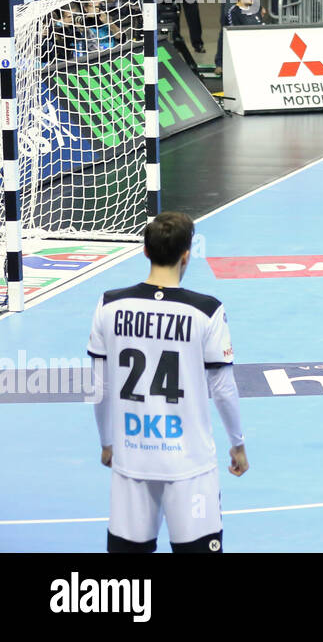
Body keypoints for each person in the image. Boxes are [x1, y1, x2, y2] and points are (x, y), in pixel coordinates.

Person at [87, 211, 248, 553]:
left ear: (145, 251)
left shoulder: (109, 304)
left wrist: (107, 441)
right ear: (186, 254)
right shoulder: (207, 311)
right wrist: (238, 443)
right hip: (189, 463)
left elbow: (98, 388)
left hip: (132, 457)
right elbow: (223, 389)